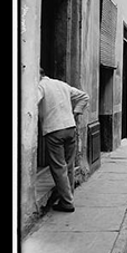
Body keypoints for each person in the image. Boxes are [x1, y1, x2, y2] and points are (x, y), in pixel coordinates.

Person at [37, 69, 89, 213]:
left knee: (59, 167)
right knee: (69, 165)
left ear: (37, 75)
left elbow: (32, 102)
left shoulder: (40, 86)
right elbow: (84, 96)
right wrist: (76, 112)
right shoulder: (61, 85)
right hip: (70, 128)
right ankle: (68, 196)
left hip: (54, 130)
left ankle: (67, 202)